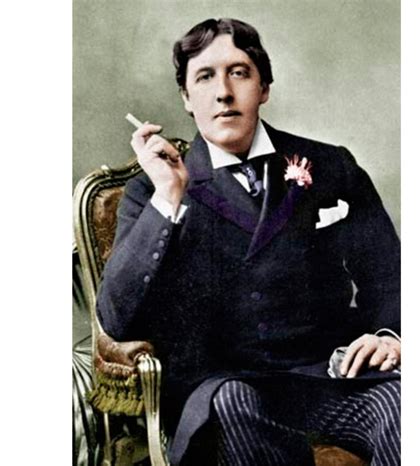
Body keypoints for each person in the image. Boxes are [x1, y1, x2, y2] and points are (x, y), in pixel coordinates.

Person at [97, 18, 401, 466]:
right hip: (226, 387)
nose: (223, 92)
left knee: (406, 404)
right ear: (186, 98)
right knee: (234, 405)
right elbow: (117, 320)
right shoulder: (154, 190)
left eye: (238, 73)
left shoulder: (330, 165)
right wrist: (168, 197)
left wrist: (390, 335)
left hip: (330, 376)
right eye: (205, 76)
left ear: (264, 88)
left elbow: (389, 274)